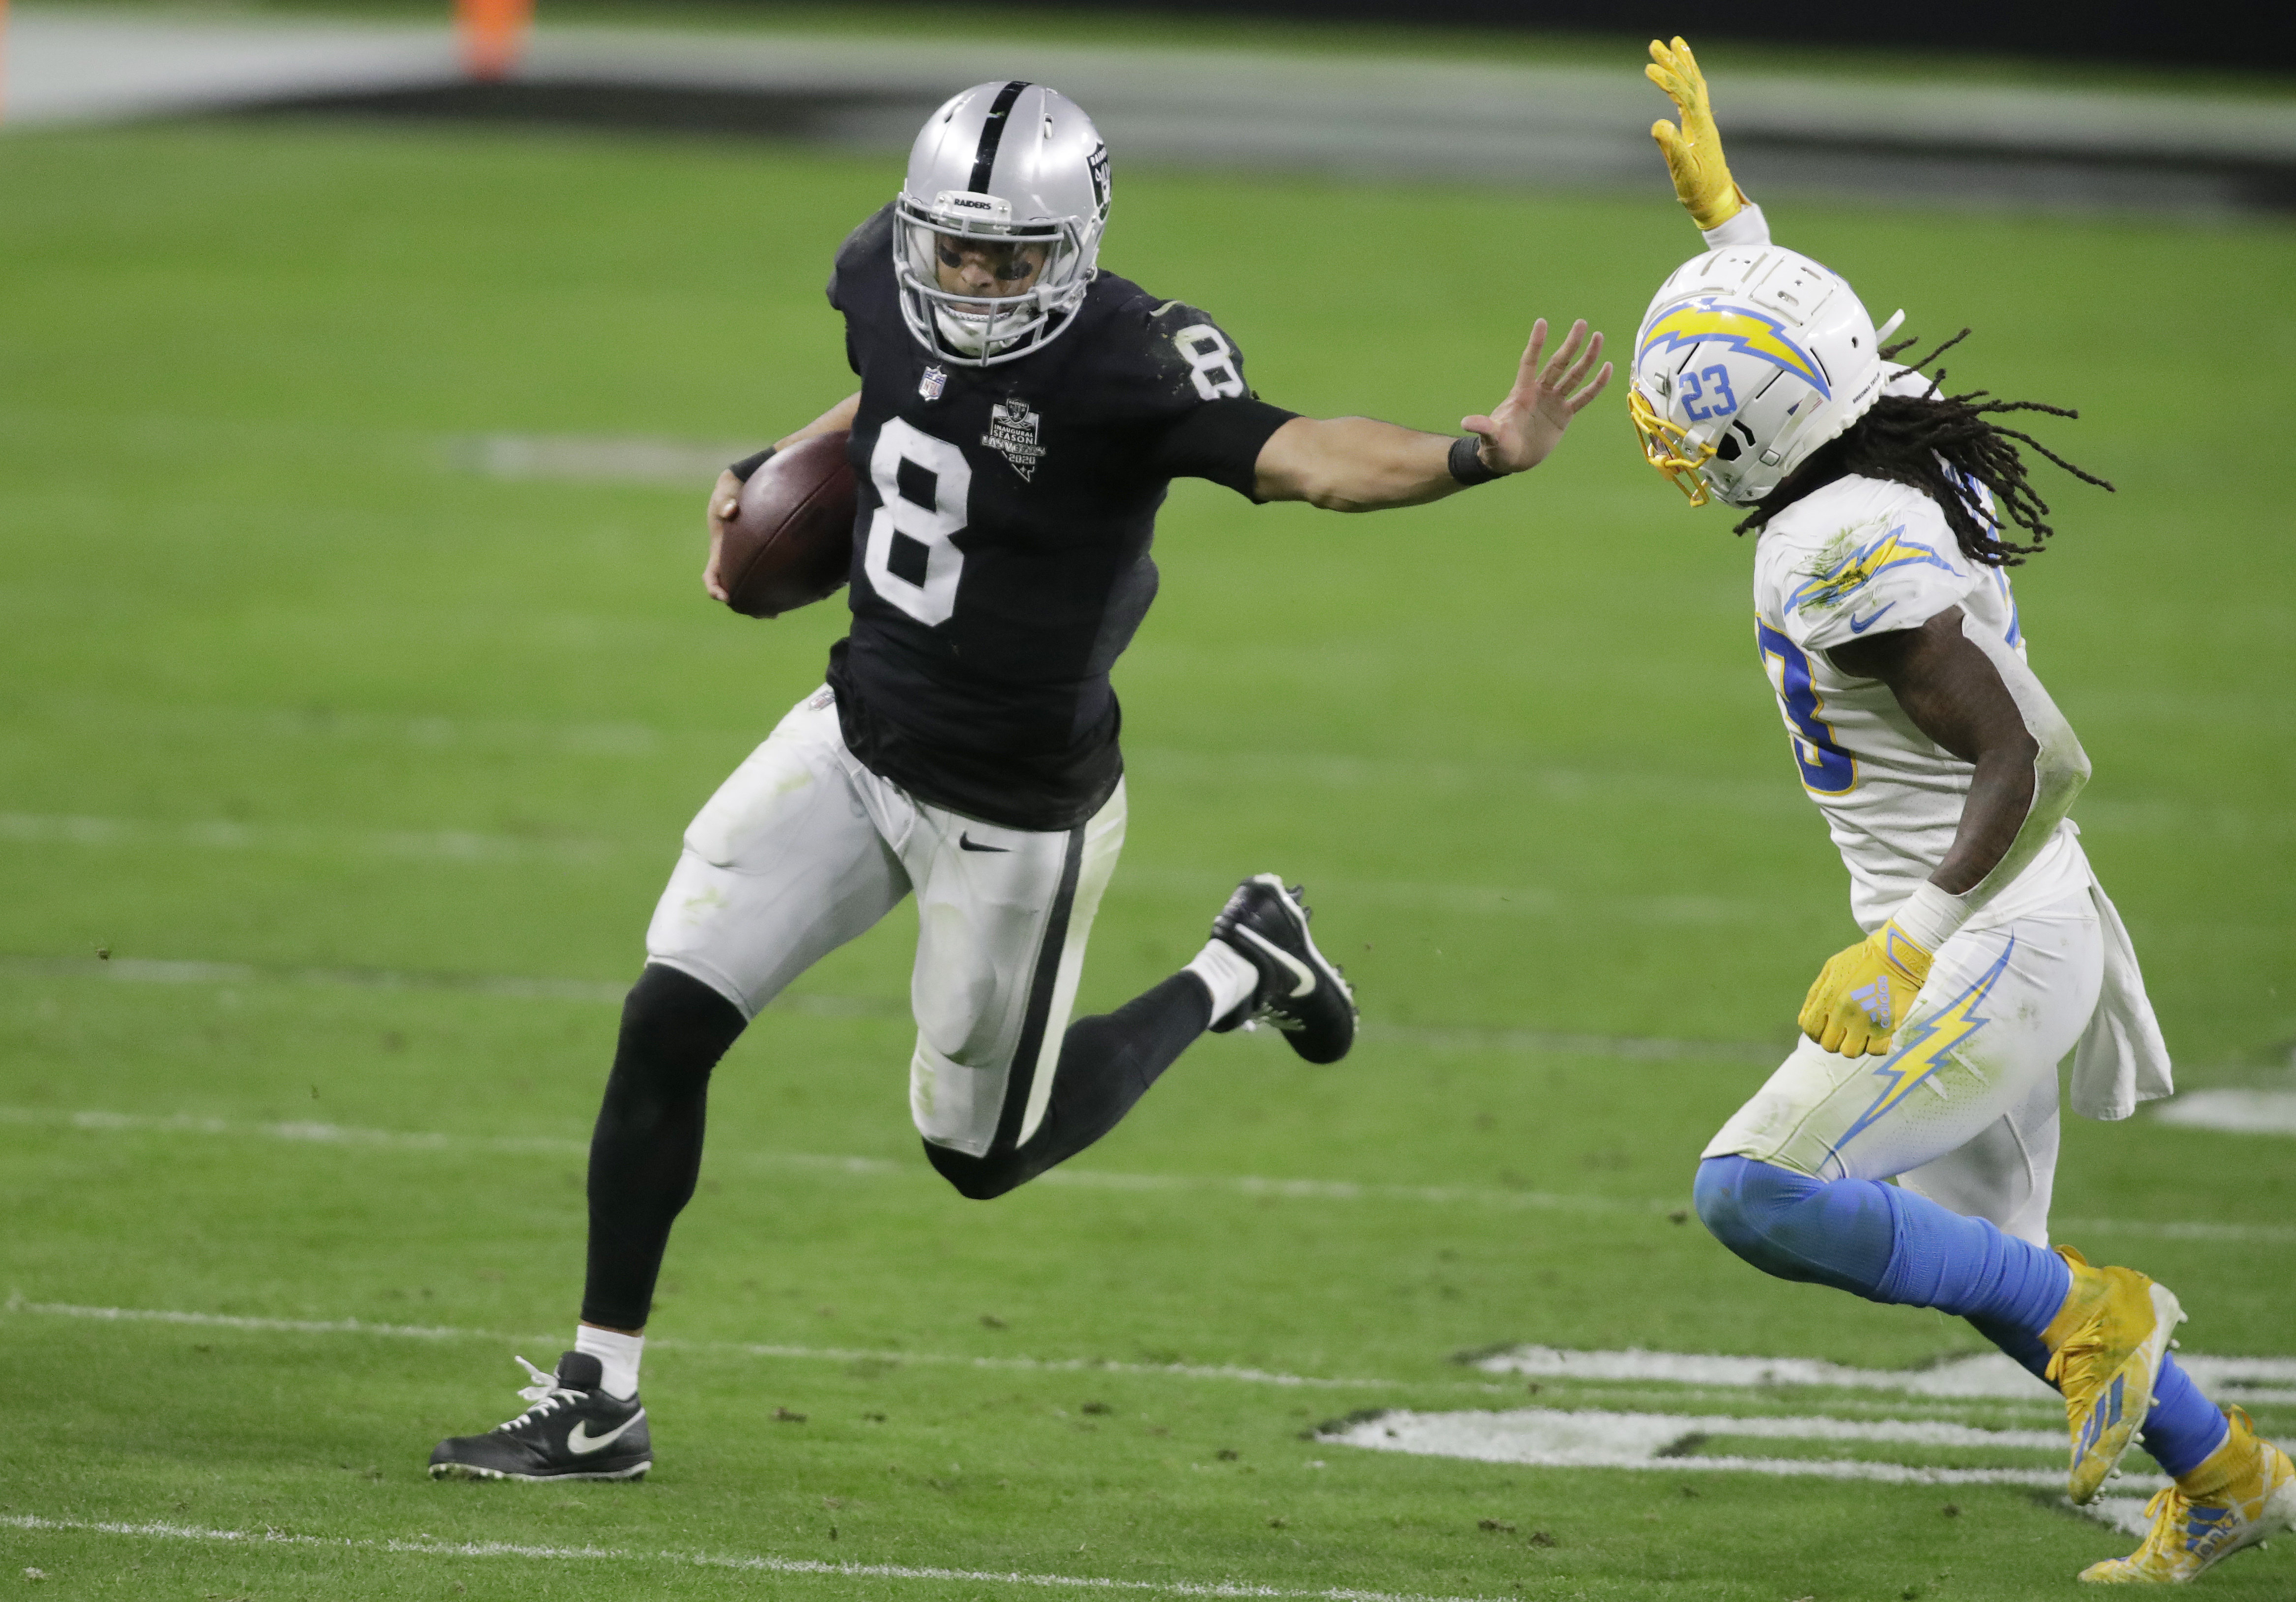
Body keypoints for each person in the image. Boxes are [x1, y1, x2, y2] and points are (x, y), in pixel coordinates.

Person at [427, 79, 1612, 1482]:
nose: (976, 281)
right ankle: (598, 1397)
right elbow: (892, 385)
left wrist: (1475, 452)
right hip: (856, 731)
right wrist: (779, 468)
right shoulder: (882, 266)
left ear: (1082, 244)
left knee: (980, 1152)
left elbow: (1312, 463)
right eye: (957, 250)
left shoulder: (1139, 361)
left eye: (1010, 258)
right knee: (665, 1018)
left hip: (1013, 805)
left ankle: (1242, 965)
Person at [1628, 39, 2294, 1585]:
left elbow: (2034, 757)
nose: (1673, 451)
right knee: (2000, 1281)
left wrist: (1913, 947)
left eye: (1689, 427)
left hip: (1987, 928)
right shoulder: (1884, 423)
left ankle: (2108, 1320)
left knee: (1759, 1191)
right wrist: (1736, 230)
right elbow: (1813, 346)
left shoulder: (1835, 542)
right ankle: (2239, 1474)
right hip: (2010, 914)